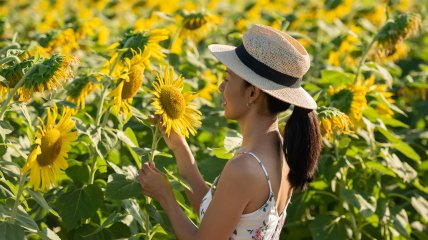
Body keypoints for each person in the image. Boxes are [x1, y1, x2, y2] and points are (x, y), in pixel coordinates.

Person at [137, 24, 322, 240]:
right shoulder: (280, 150)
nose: (221, 87)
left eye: (227, 79)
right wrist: (180, 147)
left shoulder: (245, 167)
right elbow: (219, 217)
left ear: (252, 93)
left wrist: (165, 197)